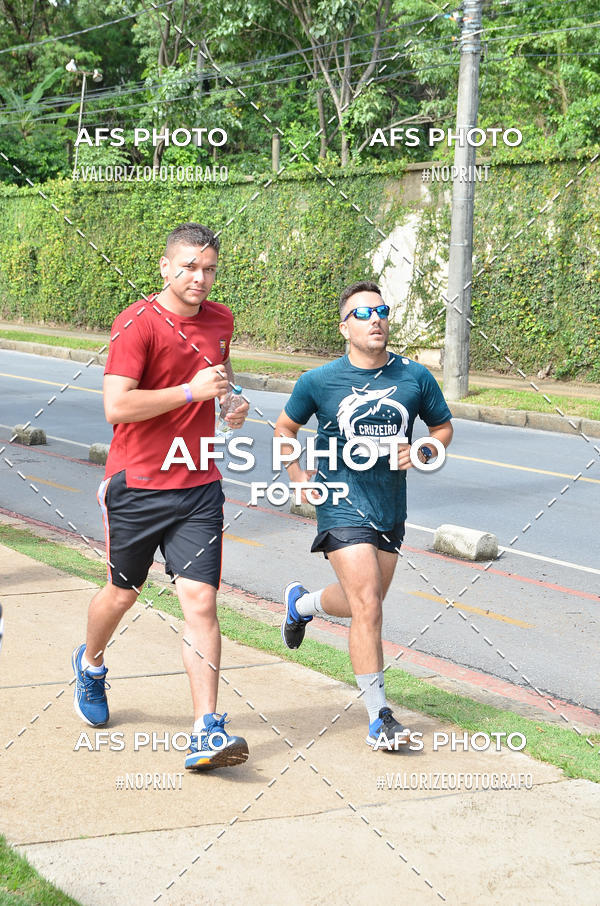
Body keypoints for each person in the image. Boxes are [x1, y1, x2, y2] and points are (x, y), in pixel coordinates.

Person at [71, 222, 249, 771]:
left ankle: (206, 729)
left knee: (200, 602)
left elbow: (221, 375)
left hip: (198, 484)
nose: (200, 277)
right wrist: (190, 392)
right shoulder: (137, 323)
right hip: (138, 485)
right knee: (123, 593)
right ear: (166, 267)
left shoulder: (220, 320)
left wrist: (230, 402)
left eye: (209, 269)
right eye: (190, 267)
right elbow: (117, 406)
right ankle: (91, 663)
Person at [274, 281, 453, 749]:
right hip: (339, 502)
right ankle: (380, 718)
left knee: (362, 603)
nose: (375, 319)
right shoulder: (319, 381)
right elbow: (285, 429)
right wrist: (298, 476)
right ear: (344, 328)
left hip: (390, 506)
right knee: (369, 604)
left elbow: (442, 427)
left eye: (382, 310)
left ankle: (301, 605)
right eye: (362, 313)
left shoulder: (415, 377)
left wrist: (425, 450)